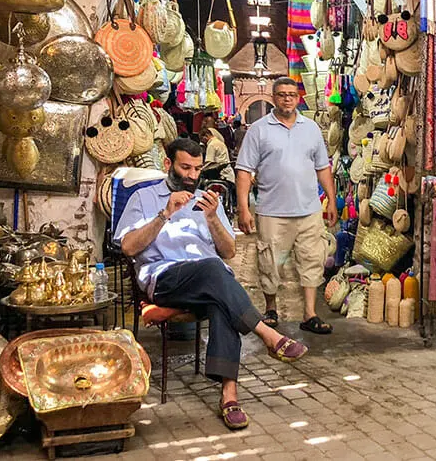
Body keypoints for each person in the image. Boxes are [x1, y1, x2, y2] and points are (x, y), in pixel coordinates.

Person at [114, 138, 308, 430]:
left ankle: (229, 398)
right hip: (166, 279)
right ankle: (267, 333)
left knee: (220, 292)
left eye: (197, 168)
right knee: (213, 270)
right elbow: (128, 247)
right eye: (185, 168)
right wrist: (164, 214)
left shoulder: (206, 199)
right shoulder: (143, 199)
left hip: (209, 281)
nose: (192, 175)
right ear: (168, 165)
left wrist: (213, 218)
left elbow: (229, 251)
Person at [235, 77, 338, 334]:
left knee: (312, 260)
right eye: (282, 94)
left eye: (292, 94)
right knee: (269, 262)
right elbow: (244, 171)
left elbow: (323, 167)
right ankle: (271, 309)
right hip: (272, 211)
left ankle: (310, 314)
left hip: (309, 210)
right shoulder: (259, 130)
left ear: (298, 98)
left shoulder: (311, 128)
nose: (287, 99)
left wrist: (332, 200)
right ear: (274, 97)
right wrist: (243, 208)